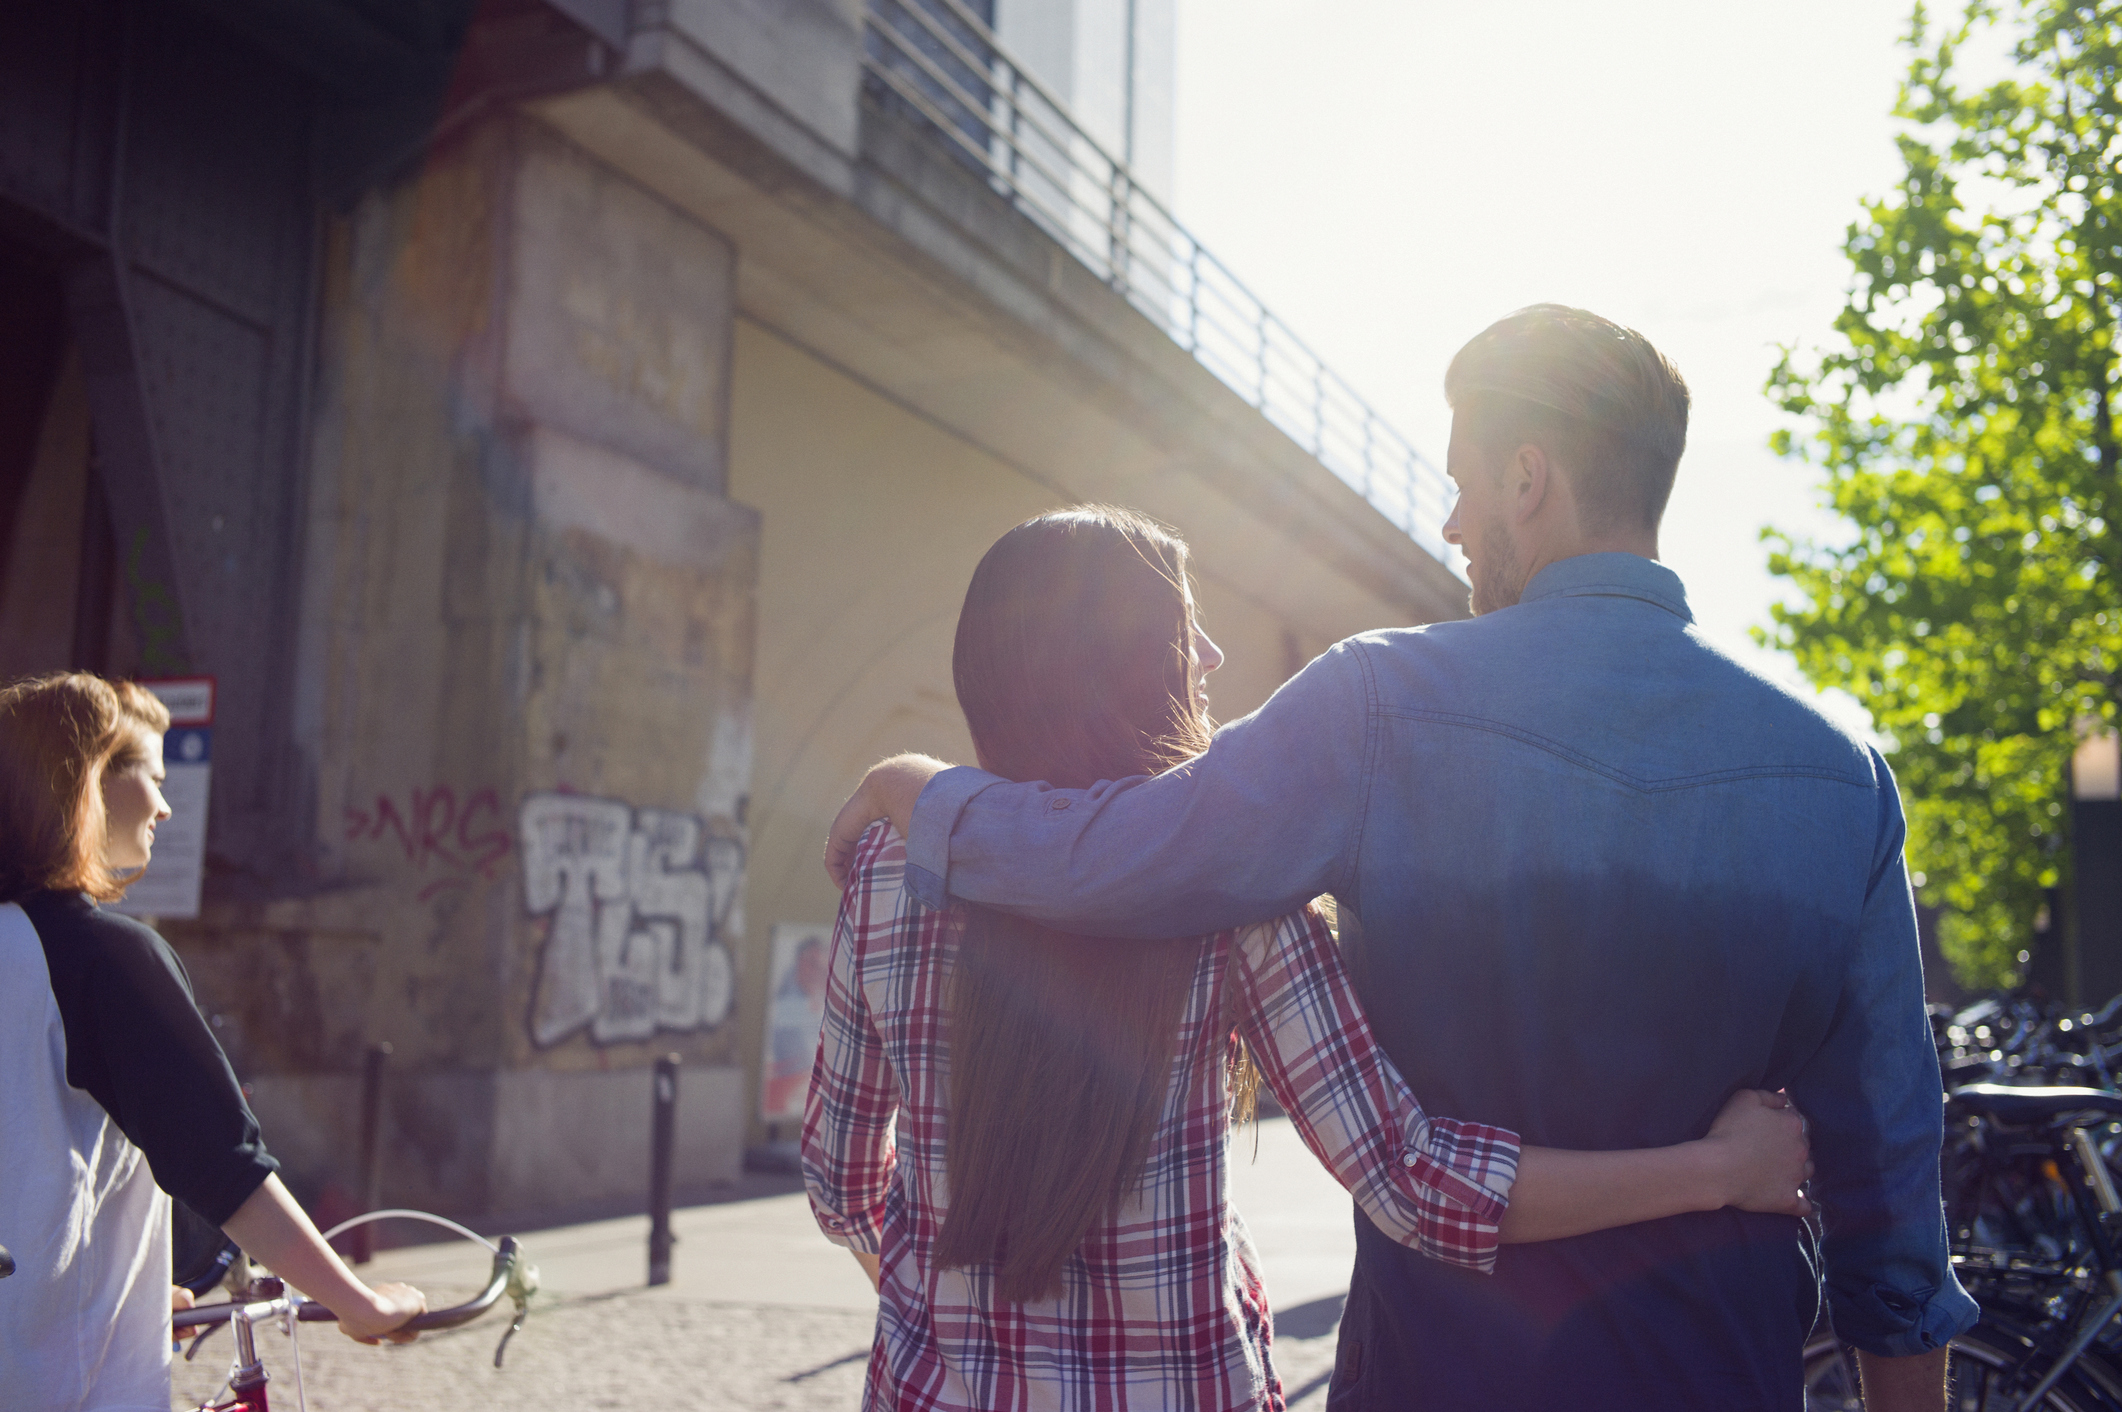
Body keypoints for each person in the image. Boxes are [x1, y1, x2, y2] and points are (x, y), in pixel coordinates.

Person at [824, 310, 1980, 1412]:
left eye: (1463, 482)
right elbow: (1890, 1173)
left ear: (1527, 478)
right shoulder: (1841, 776)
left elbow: (1128, 853)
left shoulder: (1376, 702)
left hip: (1440, 1367)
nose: (1452, 522)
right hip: (1716, 1363)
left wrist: (924, 796)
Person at [804, 506, 1813, 1412]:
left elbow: (840, 1186)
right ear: (1119, 667)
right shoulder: (1232, 889)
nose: (1208, 651)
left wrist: (954, 1312)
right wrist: (1718, 1167)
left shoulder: (888, 876)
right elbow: (1411, 1180)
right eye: (1178, 627)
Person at [0, 673, 426, 1410]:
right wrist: (359, 1303)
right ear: (90, 779)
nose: (165, 805)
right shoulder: (100, 955)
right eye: (152, 777)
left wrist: (117, 1284)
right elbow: (222, 1164)